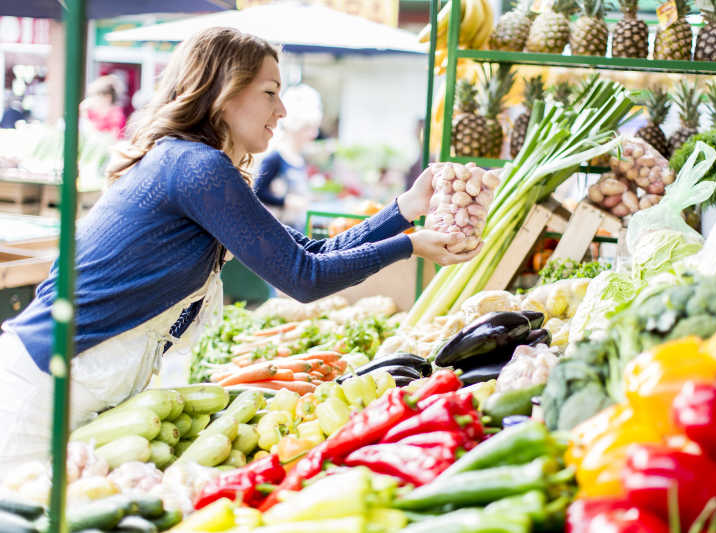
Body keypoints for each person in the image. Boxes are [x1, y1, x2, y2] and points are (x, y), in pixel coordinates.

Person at [0, 27, 480, 468]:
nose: (283, 110)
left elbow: (310, 252)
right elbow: (304, 280)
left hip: (72, 385)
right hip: (41, 391)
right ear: (224, 94)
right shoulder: (196, 168)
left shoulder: (195, 165)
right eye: (270, 92)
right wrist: (409, 246)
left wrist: (405, 206)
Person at [254, 84, 321, 232]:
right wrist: (286, 202)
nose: (313, 134)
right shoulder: (275, 158)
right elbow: (257, 191)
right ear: (296, 127)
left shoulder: (299, 158)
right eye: (308, 128)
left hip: (298, 231)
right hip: (280, 232)